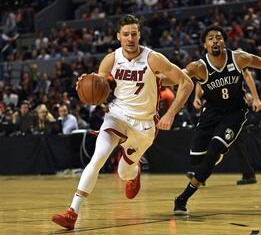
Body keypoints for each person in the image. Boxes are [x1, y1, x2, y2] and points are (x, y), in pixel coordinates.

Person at [52, 14, 193, 229]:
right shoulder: (110, 59)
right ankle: (72, 212)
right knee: (97, 159)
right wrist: (90, 89)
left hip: (144, 125)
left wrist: (170, 113)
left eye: (134, 34)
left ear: (139, 35)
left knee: (123, 172)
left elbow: (186, 82)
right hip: (116, 116)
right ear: (118, 36)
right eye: (126, 34)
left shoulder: (153, 58)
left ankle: (134, 173)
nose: (130, 38)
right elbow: (100, 86)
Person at [172, 25, 261, 215]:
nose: (215, 40)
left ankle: (182, 198)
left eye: (219, 37)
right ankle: (214, 155)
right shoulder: (198, 66)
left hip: (235, 112)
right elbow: (176, 77)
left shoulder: (237, 57)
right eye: (211, 38)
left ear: (224, 42)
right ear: (205, 44)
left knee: (213, 152)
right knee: (196, 160)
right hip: (211, 112)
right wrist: (153, 79)